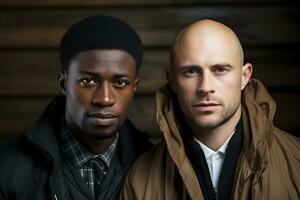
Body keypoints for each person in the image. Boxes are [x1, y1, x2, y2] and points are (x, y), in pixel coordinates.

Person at [120, 19, 300, 200]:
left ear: (244, 77)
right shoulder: (140, 179)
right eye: (191, 71)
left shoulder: (296, 161)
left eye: (220, 69)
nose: (205, 87)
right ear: (172, 80)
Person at [0, 15, 151, 200]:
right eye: (88, 81)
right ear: (64, 84)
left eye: (120, 82)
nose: (104, 98)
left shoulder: (155, 166)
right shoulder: (6, 167)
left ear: (134, 88)